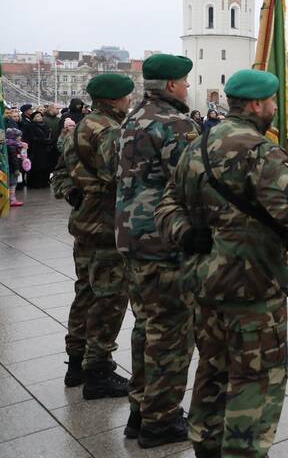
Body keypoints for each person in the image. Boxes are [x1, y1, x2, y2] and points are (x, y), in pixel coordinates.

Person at [156, 69, 288, 458]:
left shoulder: (197, 146)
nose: (276, 108)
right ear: (256, 105)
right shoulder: (260, 152)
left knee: (213, 369)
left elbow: (166, 206)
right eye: (272, 102)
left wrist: (186, 233)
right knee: (256, 377)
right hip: (252, 288)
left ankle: (206, 445)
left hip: (204, 283)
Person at [114, 54, 200, 447]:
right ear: (169, 85)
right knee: (170, 332)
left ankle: (140, 409)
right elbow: (193, 183)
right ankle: (162, 420)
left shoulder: (133, 116)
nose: (186, 87)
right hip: (164, 240)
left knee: (146, 326)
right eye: (183, 81)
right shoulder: (175, 123)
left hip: (133, 237)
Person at [52, 73, 133, 399]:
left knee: (85, 292)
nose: (129, 102)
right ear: (115, 100)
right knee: (110, 298)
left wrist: (72, 192)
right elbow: (116, 177)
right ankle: (98, 369)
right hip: (105, 228)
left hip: (85, 225)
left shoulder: (80, 125)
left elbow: (59, 173)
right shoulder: (110, 131)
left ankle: (76, 364)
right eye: (127, 97)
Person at [23, 110, 53, 189]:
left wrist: (48, 141)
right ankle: (36, 184)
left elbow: (49, 135)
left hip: (45, 149)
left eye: (40, 116)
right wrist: (43, 140)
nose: (39, 118)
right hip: (36, 150)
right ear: (33, 118)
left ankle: (44, 182)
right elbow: (32, 138)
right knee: (37, 167)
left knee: (45, 166)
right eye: (37, 116)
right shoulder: (31, 126)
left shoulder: (45, 125)